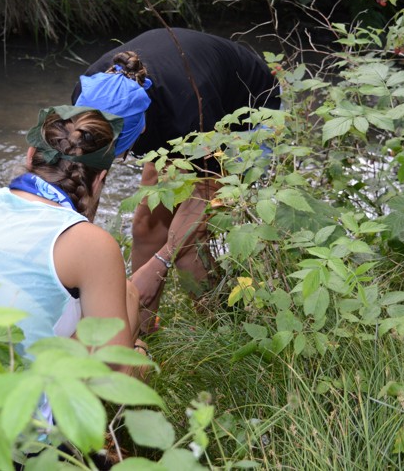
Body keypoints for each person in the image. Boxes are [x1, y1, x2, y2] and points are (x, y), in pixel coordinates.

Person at [0, 104, 145, 376]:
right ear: (99, 179)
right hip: (7, 409)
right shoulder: (91, 242)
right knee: (126, 297)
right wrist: (137, 353)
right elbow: (116, 364)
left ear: (30, 155)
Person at [71, 27, 281, 332]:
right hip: (176, 104)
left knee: (186, 251)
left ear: (142, 132)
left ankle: (222, 337)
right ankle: (140, 338)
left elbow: (209, 190)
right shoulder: (87, 94)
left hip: (248, 115)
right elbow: (83, 176)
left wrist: (158, 265)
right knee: (145, 228)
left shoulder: (189, 112)